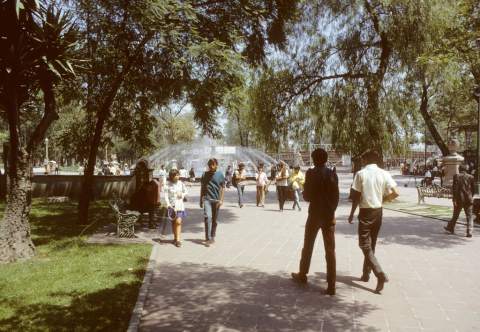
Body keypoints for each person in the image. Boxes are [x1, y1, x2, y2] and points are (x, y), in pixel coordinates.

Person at [348, 149, 399, 294]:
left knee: (364, 244)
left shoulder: (361, 174)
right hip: (378, 211)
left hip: (366, 212)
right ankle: (366, 274)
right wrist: (383, 200)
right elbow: (396, 192)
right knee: (371, 244)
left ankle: (379, 274)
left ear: (364, 160)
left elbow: (356, 197)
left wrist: (352, 213)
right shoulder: (384, 173)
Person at [291, 149, 339, 295]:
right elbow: (336, 195)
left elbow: (307, 196)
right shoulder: (333, 174)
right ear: (326, 159)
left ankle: (303, 274)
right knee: (330, 249)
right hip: (329, 214)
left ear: (314, 159)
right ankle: (331, 283)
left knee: (308, 244)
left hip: (315, 214)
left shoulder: (311, 173)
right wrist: (331, 209)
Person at [444, 163, 475, 237]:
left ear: (459, 169)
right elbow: (473, 189)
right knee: (469, 216)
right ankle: (469, 231)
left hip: (459, 199)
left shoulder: (456, 176)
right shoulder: (471, 177)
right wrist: (470, 196)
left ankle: (450, 227)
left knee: (455, 215)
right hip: (469, 198)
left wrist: (454, 199)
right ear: (467, 168)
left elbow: (455, 189)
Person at [200, 158, 225, 247]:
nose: (211, 166)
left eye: (213, 164)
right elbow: (202, 187)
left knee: (215, 219)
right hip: (207, 199)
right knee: (208, 217)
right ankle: (207, 238)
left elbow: (223, 187)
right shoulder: (204, 174)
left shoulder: (220, 174)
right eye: (210, 164)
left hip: (216, 200)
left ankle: (213, 236)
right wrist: (201, 200)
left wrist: (221, 199)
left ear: (216, 165)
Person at [164, 169, 188, 247]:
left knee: (178, 222)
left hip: (179, 205)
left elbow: (186, 191)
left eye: (177, 175)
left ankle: (178, 240)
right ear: (171, 176)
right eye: (175, 175)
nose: (177, 177)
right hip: (172, 206)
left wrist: (182, 195)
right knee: (173, 222)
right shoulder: (167, 185)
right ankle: (175, 236)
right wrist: (168, 204)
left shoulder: (181, 184)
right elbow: (166, 196)